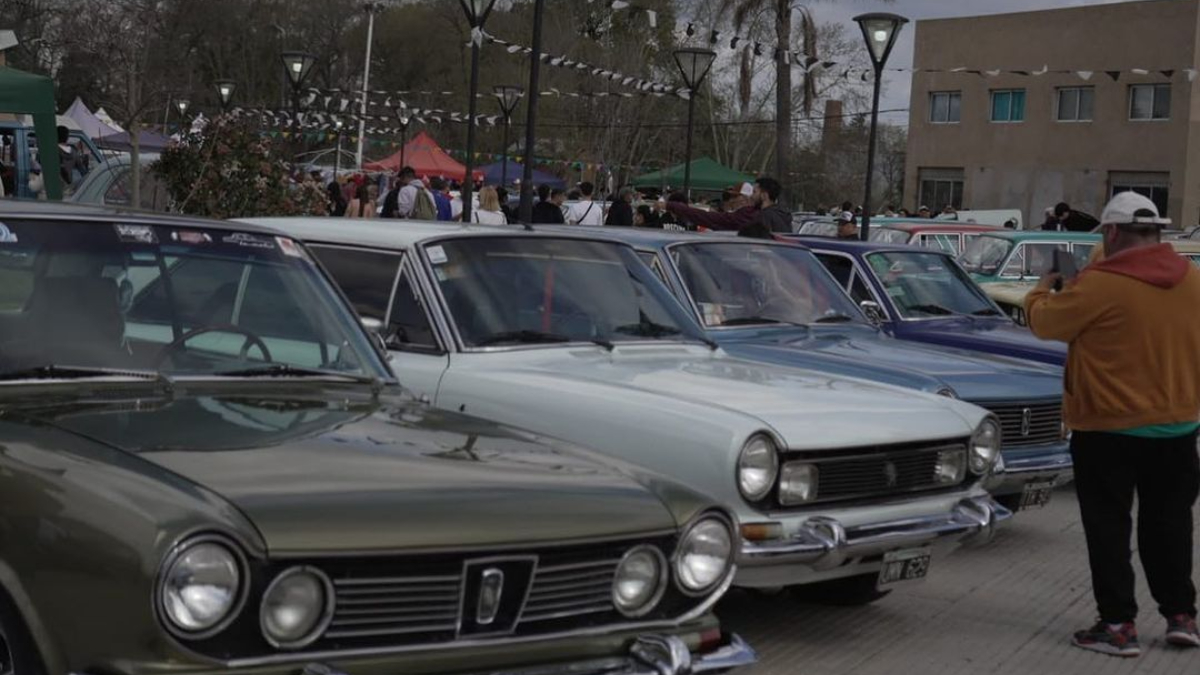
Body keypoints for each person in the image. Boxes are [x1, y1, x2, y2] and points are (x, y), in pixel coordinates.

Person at [1024, 191, 1200, 657]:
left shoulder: (1100, 285)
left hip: (1108, 429)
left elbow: (1044, 323)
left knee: (1109, 528)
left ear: (1113, 232)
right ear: (1157, 233)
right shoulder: (1193, 282)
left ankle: (1119, 625)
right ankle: (1181, 616)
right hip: (1179, 427)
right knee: (1170, 526)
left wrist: (1047, 283)